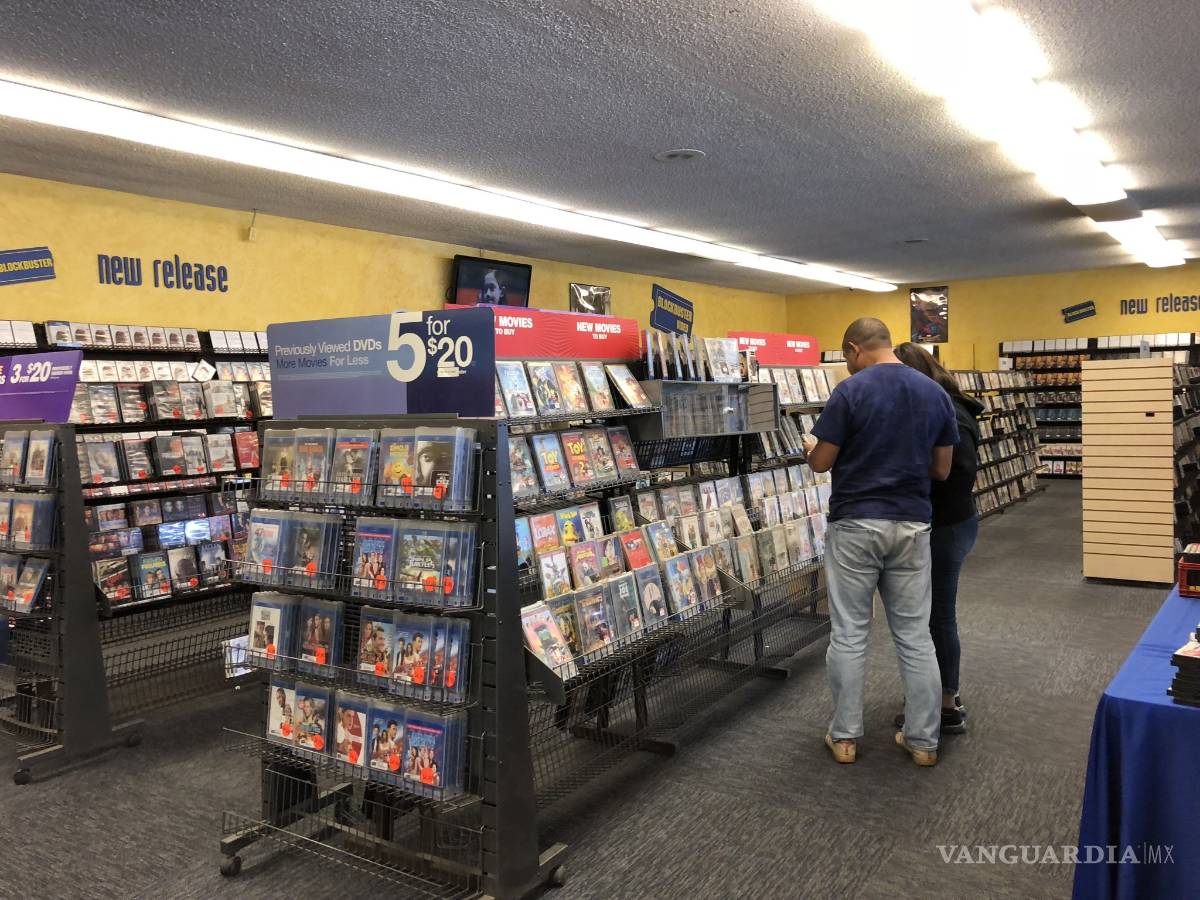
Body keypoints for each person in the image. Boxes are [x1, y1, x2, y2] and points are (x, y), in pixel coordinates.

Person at [801, 317, 957, 767]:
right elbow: (941, 469)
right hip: (912, 523)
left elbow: (821, 463)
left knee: (850, 634)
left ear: (853, 349)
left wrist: (813, 451)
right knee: (914, 636)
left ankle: (846, 738)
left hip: (855, 524)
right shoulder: (933, 392)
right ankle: (924, 741)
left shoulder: (850, 392)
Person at [893, 343, 982, 734]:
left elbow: (953, 473)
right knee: (929, 615)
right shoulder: (945, 405)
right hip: (946, 522)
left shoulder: (949, 412)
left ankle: (947, 703)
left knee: (938, 616)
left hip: (945, 526)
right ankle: (938, 694)